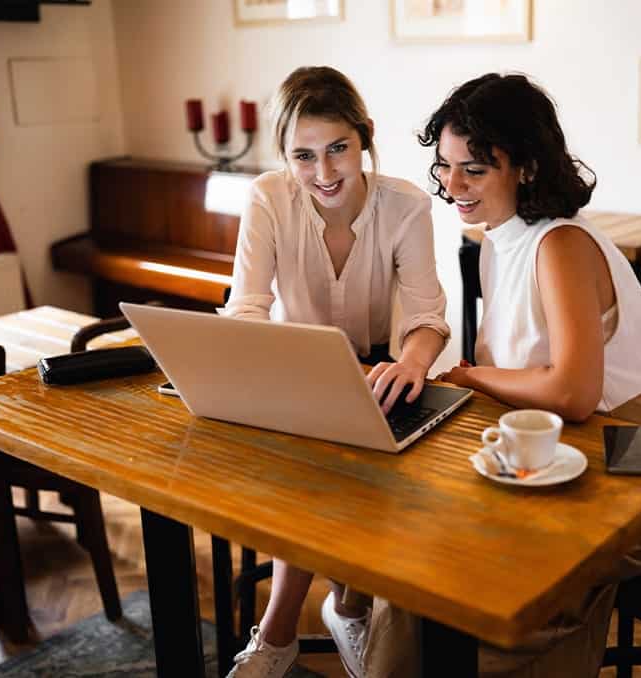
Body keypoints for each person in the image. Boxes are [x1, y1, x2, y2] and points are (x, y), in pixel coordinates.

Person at [361, 73, 641, 677]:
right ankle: (394, 653)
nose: (453, 185)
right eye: (445, 166)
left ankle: (420, 658)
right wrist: (480, 377)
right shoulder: (501, 240)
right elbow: (535, 381)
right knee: (424, 543)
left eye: (475, 168)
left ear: (524, 166)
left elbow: (573, 393)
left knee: (517, 578)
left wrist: (474, 379)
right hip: (569, 446)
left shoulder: (561, 245)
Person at [221, 65, 450, 678]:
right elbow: (247, 305)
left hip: (389, 374)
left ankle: (285, 632)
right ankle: (335, 612)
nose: (323, 173)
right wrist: (251, 366)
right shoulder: (268, 197)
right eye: (303, 156)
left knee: (335, 469)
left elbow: (427, 316)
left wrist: (411, 360)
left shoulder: (405, 205)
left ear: (364, 138)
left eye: (338, 150)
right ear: (285, 157)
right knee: (314, 467)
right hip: (300, 371)